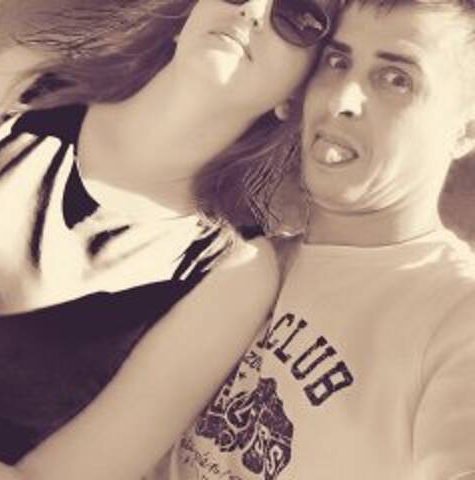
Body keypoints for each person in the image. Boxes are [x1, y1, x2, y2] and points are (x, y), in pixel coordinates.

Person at [0, 0, 343, 478]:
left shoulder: (233, 271)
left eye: (298, 15)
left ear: (297, 98)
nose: (252, 9)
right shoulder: (25, 84)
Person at [146, 1, 475, 479]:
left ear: (466, 128)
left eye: (396, 79)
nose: (341, 99)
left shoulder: (457, 315)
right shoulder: (230, 257)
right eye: (337, 61)